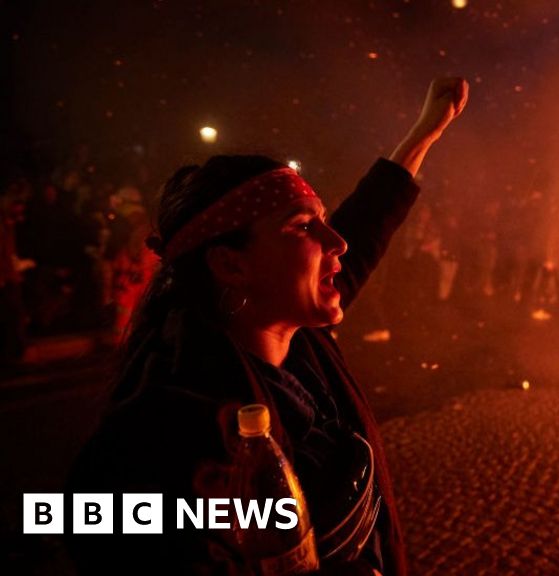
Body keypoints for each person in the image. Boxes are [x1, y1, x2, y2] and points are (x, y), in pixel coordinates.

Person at [65, 77, 469, 575]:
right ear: (232, 265)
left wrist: (423, 135)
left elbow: (366, 223)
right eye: (303, 227)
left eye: (323, 221)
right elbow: (75, 518)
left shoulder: (305, 345)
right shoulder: (175, 409)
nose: (336, 242)